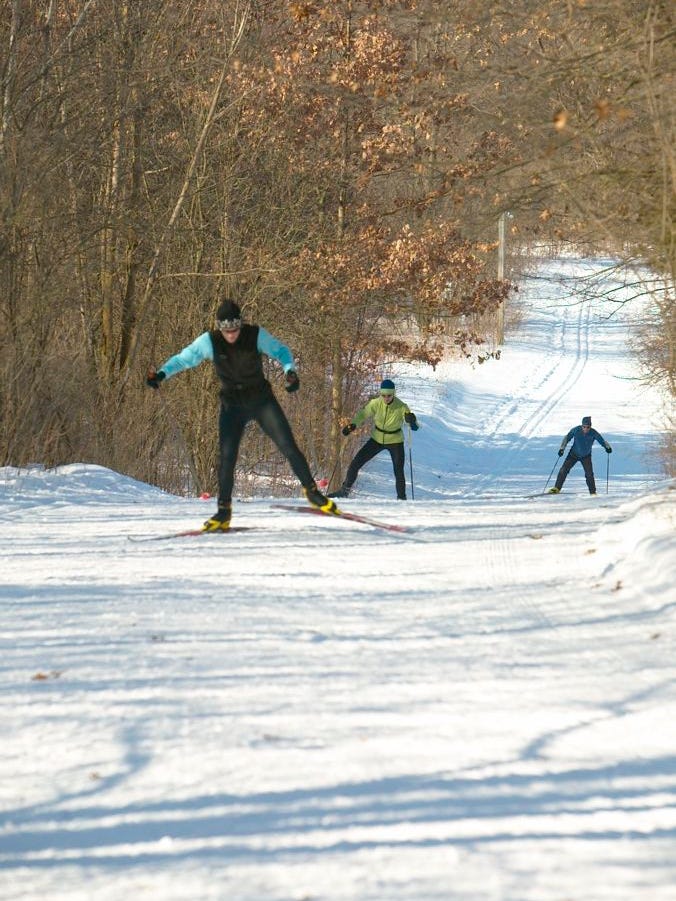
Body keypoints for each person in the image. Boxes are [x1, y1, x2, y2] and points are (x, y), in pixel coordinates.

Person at [145, 299, 336, 530]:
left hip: (261, 401)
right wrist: (162, 374)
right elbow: (184, 359)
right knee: (227, 457)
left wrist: (290, 372)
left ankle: (313, 492)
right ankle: (223, 511)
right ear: (220, 327)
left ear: (240, 324)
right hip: (232, 405)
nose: (232, 335)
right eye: (227, 331)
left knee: (288, 445)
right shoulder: (209, 341)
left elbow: (281, 351)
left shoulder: (255, 335)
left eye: (235, 330)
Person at [329, 379, 419, 500]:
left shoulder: (401, 406)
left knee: (398, 471)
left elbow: (414, 427)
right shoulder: (375, 403)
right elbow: (363, 414)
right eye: (383, 395)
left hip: (395, 441)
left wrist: (412, 421)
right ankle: (344, 491)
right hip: (376, 439)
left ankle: (402, 498)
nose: (386, 398)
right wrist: (353, 425)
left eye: (389, 395)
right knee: (356, 463)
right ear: (380, 394)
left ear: (394, 394)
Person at [549, 415, 612, 495]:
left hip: (586, 456)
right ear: (582, 425)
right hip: (573, 454)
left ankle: (593, 492)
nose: (586, 429)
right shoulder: (576, 430)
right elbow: (567, 438)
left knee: (589, 474)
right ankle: (557, 488)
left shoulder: (593, 433)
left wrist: (607, 447)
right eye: (584, 426)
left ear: (590, 427)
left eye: (588, 427)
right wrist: (562, 448)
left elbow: (602, 441)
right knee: (563, 470)